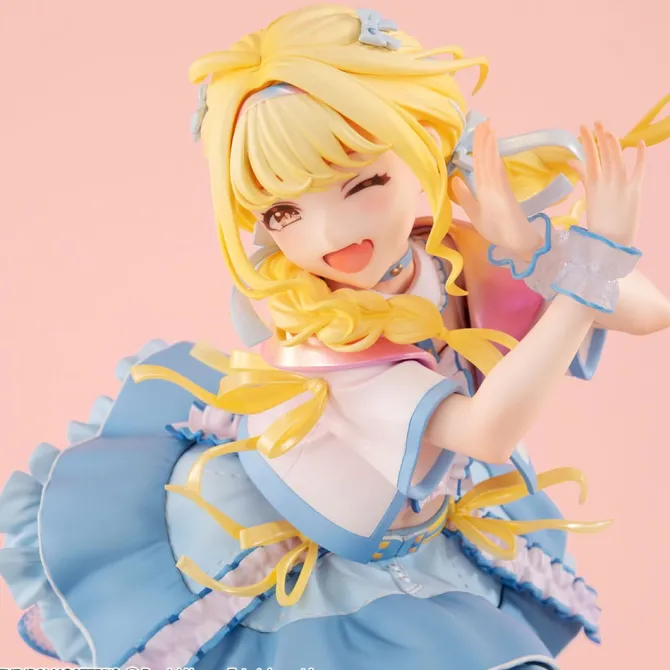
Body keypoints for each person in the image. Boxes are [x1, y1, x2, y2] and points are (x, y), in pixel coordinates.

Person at [2, 5, 669, 669]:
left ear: (425, 150)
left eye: (364, 182)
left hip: (421, 526)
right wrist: (586, 267)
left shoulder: (443, 254)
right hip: (315, 558)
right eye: (283, 212)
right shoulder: (325, 332)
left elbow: (647, 312)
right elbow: (487, 432)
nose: (328, 235)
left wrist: (527, 246)